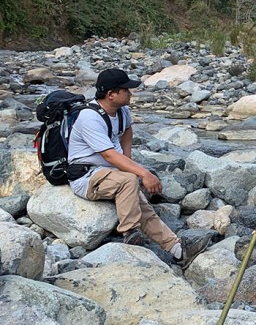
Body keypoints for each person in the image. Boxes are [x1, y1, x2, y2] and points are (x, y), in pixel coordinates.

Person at [66, 68, 211, 268]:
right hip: (86, 177)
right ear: (111, 94)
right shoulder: (89, 117)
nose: (131, 93)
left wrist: (129, 162)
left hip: (111, 175)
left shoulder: (122, 111)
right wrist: (141, 173)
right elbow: (108, 155)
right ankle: (130, 233)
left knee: (143, 205)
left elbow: (127, 132)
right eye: (126, 89)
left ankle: (177, 250)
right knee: (130, 181)